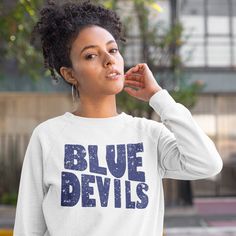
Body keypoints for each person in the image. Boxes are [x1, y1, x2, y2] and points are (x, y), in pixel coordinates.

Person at [13, 1, 223, 236]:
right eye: (91, 55)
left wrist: (159, 97)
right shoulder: (48, 136)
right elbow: (27, 226)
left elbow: (208, 163)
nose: (109, 60)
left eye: (112, 50)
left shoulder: (149, 134)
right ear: (70, 74)